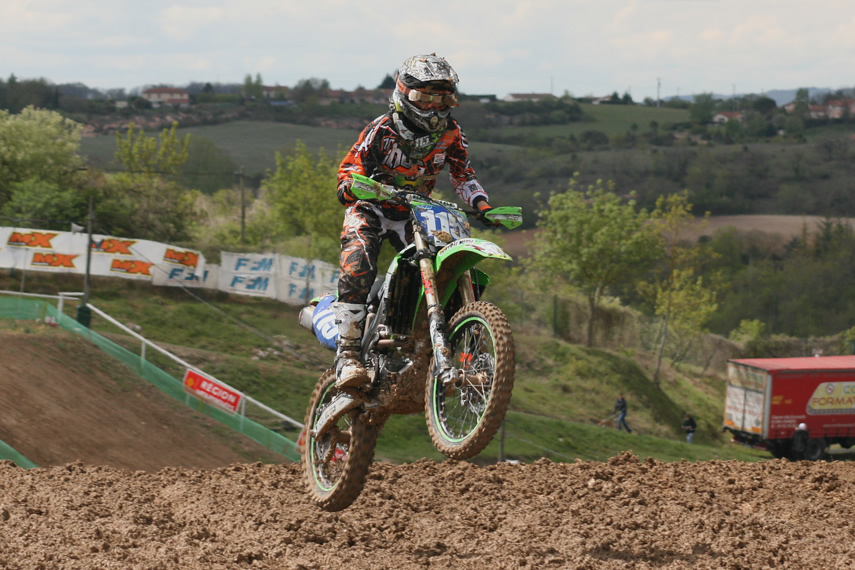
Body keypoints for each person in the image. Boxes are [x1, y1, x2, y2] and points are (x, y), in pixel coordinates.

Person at [331, 53, 495, 389]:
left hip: (415, 213)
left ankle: (445, 347)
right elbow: (348, 169)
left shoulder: (451, 133)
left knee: (445, 267)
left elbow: (463, 174)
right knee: (358, 261)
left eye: (442, 99)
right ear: (405, 94)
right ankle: (347, 355)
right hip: (372, 206)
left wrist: (482, 205)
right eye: (424, 97)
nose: (434, 107)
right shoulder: (382, 129)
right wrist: (351, 185)